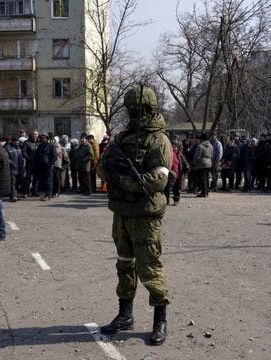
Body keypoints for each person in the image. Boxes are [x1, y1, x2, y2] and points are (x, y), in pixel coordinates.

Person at [97, 86, 172, 346]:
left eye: (137, 109)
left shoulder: (159, 140)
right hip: (122, 213)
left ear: (148, 109)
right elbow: (101, 167)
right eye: (129, 109)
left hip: (145, 216)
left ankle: (160, 320)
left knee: (150, 267)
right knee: (124, 264)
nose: (132, 113)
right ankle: (125, 315)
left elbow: (158, 180)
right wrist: (111, 174)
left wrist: (126, 181)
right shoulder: (121, 139)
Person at [34, 133, 57, 201]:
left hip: (49, 166)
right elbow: (37, 155)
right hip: (41, 165)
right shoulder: (40, 146)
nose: (43, 139)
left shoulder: (51, 146)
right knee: (43, 180)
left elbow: (54, 156)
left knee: (49, 180)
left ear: (47, 139)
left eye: (45, 138)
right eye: (42, 138)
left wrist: (50, 163)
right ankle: (44, 193)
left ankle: (48, 194)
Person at [192, 133, 213, 197]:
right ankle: (206, 191)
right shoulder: (210, 145)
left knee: (202, 178)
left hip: (202, 163)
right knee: (206, 178)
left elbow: (197, 156)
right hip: (209, 162)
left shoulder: (200, 146)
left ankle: (204, 192)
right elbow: (212, 155)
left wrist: (194, 163)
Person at [5, 136, 24, 202]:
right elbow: (6, 159)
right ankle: (13, 196)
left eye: (18, 141)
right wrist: (11, 163)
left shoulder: (19, 148)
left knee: (17, 183)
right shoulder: (8, 148)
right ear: (12, 141)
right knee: (13, 182)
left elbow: (21, 158)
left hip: (19, 168)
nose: (17, 142)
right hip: (12, 168)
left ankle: (15, 194)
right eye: (16, 141)